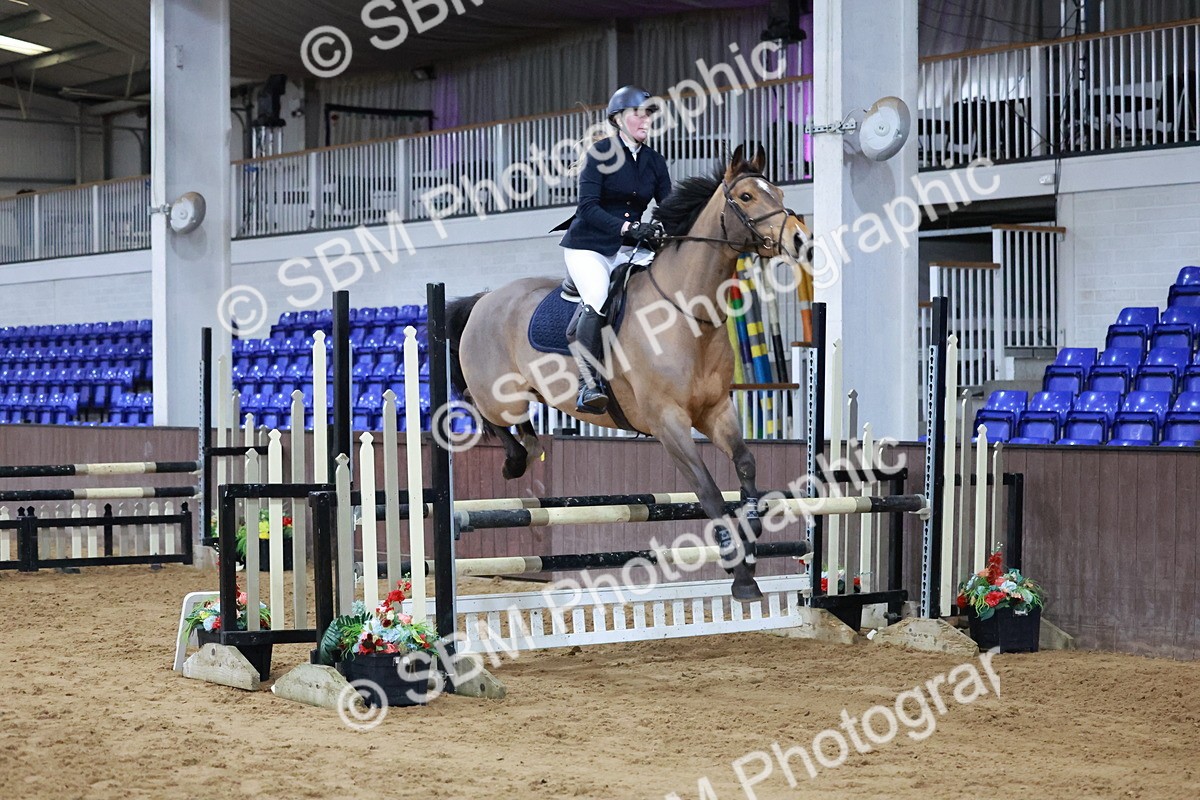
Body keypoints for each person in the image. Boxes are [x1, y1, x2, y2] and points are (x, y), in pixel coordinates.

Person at [558, 85, 672, 414]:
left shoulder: (654, 161)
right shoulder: (600, 154)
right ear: (619, 119)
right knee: (597, 295)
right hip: (589, 246)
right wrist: (627, 227)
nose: (645, 120)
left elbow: (669, 206)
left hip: (631, 248)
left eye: (649, 114)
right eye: (638, 114)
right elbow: (588, 208)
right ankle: (587, 384)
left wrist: (665, 229)